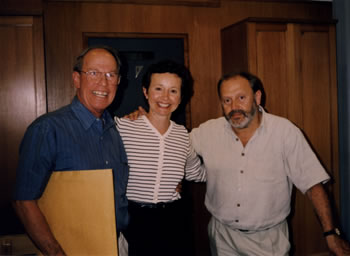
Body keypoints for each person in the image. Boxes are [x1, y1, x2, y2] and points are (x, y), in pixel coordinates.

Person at [189, 71, 350, 255]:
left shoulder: (285, 132)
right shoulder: (209, 131)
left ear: (257, 97)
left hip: (268, 241)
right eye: (227, 100)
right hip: (222, 236)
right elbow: (176, 148)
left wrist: (330, 234)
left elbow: (313, 185)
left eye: (241, 98)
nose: (234, 107)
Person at [12, 45, 129, 256]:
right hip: (70, 248)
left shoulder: (114, 130)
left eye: (111, 74)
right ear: (76, 79)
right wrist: (54, 251)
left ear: (118, 82)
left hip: (118, 244)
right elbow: (23, 201)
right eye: (93, 73)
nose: (103, 82)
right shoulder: (47, 129)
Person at [115, 60, 206, 256]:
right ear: (146, 92)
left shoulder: (182, 134)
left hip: (173, 219)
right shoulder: (124, 127)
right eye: (158, 88)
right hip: (134, 218)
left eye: (173, 91)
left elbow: (195, 173)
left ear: (181, 97)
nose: (165, 97)